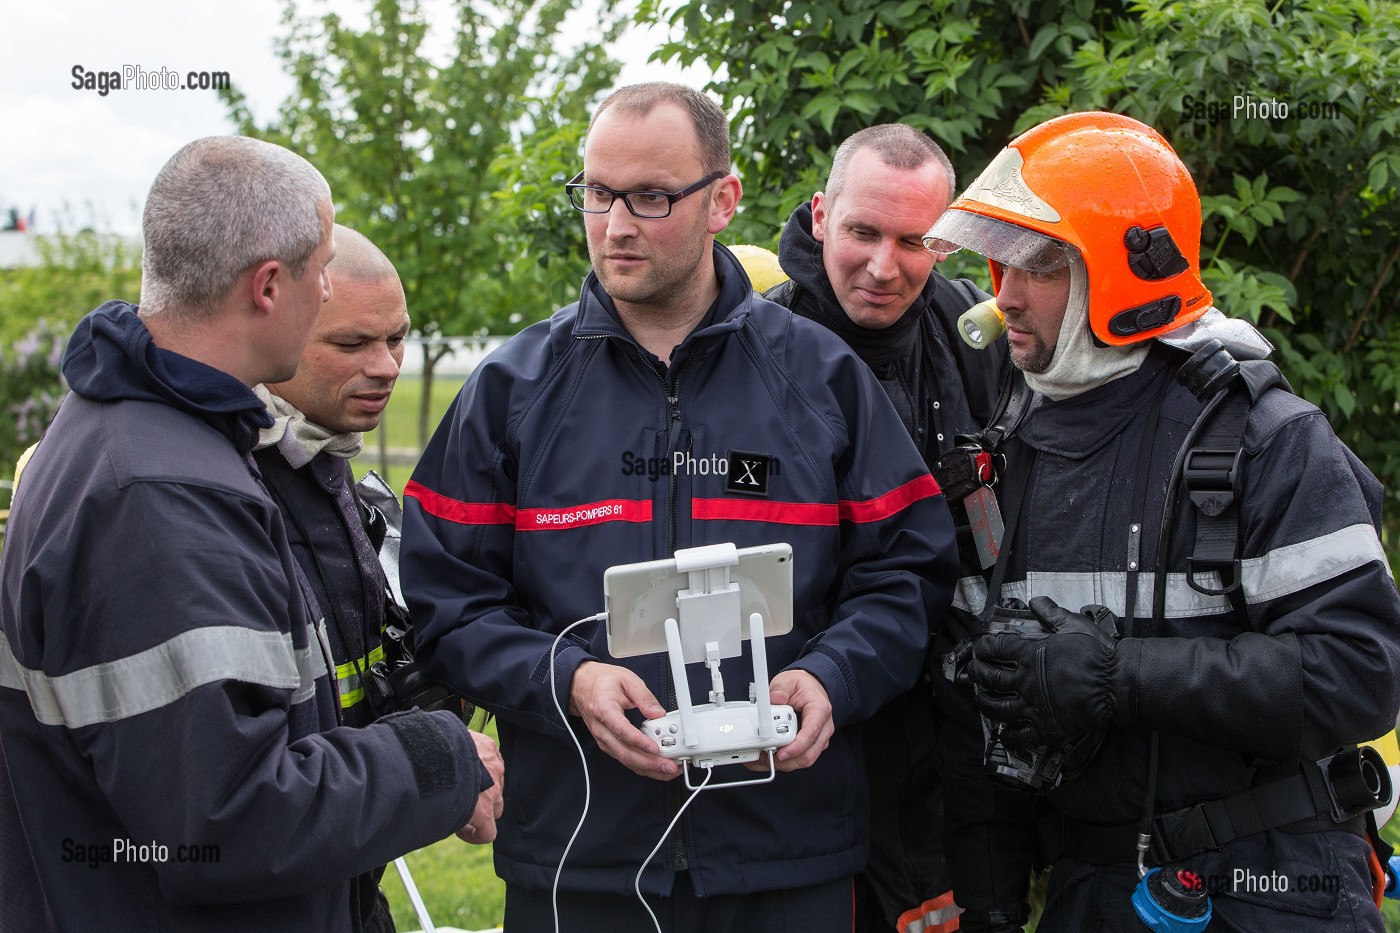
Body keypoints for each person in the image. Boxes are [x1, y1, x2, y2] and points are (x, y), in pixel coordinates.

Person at [401, 82, 958, 933]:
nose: (616, 223)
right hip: (579, 859)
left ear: (721, 201)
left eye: (652, 197)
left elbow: (909, 571)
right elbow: (447, 602)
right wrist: (568, 679)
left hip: (787, 855)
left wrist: (831, 676)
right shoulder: (511, 391)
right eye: (596, 193)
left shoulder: (823, 379)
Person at [0, 136, 503, 933]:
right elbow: (224, 819)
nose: (332, 288)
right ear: (269, 285)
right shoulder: (160, 496)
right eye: (323, 268)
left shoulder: (159, 438)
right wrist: (440, 761)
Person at [923, 111, 1400, 930]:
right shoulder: (1004, 457)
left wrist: (1119, 676)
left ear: (1121, 271)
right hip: (1094, 888)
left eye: (1038, 265)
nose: (1004, 294)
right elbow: (978, 715)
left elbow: (1360, 671)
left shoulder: (1265, 438)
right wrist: (992, 904)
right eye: (997, 263)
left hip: (1273, 887)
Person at [764, 123, 1009, 933]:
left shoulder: (976, 335)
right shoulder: (753, 349)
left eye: (915, 241)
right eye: (863, 232)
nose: (883, 265)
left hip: (951, 728)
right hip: (804, 720)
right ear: (821, 213)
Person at [253, 223, 481, 932]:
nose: (386, 365)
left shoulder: (329, 474)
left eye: (398, 339)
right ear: (279, 331)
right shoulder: (223, 495)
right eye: (352, 344)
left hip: (340, 888)